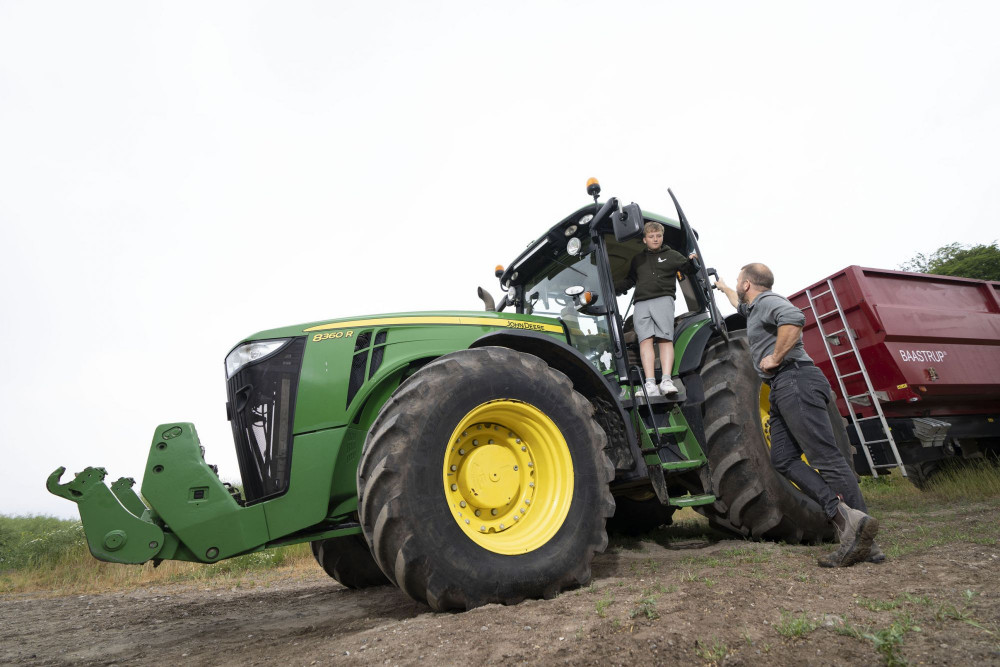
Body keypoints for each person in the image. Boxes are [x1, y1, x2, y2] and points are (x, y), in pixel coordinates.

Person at [715, 263, 884, 567]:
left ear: (748, 285)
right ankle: (841, 514)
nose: (738, 288)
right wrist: (723, 286)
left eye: (739, 282)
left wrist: (775, 357)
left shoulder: (768, 301)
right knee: (783, 459)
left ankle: (863, 541)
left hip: (795, 380)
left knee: (826, 458)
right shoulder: (754, 308)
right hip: (782, 388)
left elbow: (793, 319)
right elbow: (737, 303)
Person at [618, 221, 696, 397]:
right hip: (641, 303)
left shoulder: (672, 255)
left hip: (663, 299)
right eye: (651, 236)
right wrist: (615, 288)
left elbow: (688, 269)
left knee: (664, 339)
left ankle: (666, 381)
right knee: (645, 340)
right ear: (645, 239)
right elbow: (630, 280)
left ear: (662, 237)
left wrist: (692, 261)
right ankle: (650, 384)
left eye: (658, 236)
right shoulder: (638, 260)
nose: (655, 239)